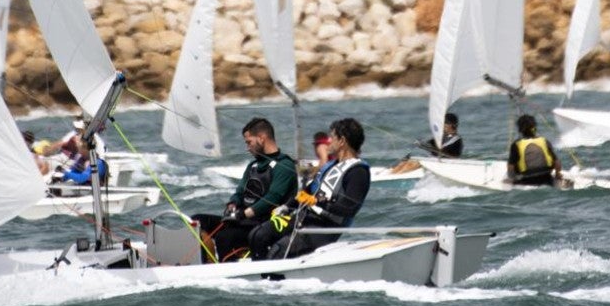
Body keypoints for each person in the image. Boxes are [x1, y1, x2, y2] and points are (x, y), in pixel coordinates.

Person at [249, 118, 371, 260]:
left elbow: (350, 208)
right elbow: (307, 192)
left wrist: (317, 201)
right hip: (304, 218)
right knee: (258, 235)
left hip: (325, 228)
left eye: (332, 138)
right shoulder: (331, 166)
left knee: (278, 251)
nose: (328, 142)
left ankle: (272, 279)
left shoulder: (358, 172)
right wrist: (286, 206)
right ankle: (259, 273)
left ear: (342, 141)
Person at [192, 118, 298, 262]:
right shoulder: (253, 166)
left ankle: (227, 272)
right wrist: (233, 204)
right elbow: (240, 192)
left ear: (261, 138)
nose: (247, 148)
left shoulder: (284, 166)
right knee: (197, 222)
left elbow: (272, 199)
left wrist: (244, 214)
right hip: (244, 221)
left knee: (225, 236)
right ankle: (207, 263)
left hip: (265, 224)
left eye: (249, 142)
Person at [388, 112, 463, 174]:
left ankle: (396, 176)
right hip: (436, 161)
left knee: (416, 162)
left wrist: (427, 147)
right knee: (408, 159)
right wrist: (421, 144)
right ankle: (391, 174)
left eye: (444, 123)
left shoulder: (457, 140)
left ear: (452, 125)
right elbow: (429, 145)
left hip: (447, 164)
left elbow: (448, 154)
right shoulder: (442, 137)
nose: (442, 126)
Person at [506, 114, 561, 186]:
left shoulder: (516, 144)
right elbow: (557, 163)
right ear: (534, 127)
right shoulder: (544, 141)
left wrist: (512, 179)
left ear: (520, 129)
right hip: (547, 178)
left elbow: (511, 167)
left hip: (527, 180)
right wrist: (557, 175)